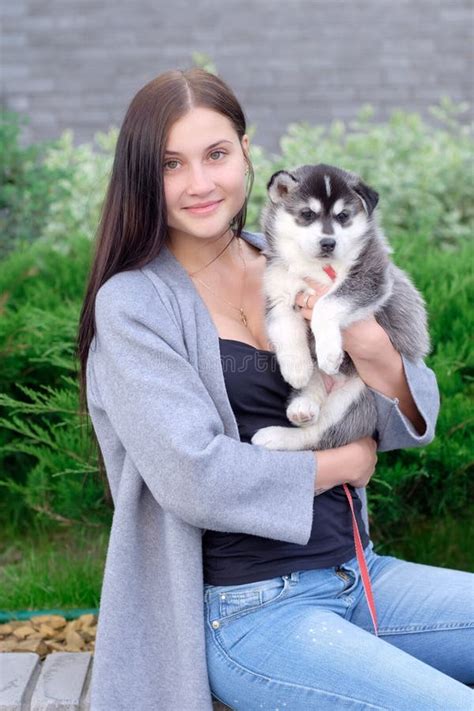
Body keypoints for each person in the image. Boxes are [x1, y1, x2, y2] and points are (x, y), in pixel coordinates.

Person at [77, 67, 474, 711]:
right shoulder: (136, 305)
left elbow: (407, 411)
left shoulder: (296, 259)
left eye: (216, 154)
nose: (200, 183)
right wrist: (339, 463)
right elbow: (191, 476)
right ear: (142, 177)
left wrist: (376, 350)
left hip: (362, 577)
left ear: (247, 155)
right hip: (251, 614)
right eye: (171, 163)